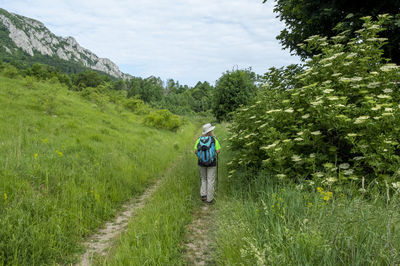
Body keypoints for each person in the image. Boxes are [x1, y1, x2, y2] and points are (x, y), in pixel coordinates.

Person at [194, 123, 221, 204]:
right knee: (210, 179)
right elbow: (218, 151)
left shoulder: (199, 140)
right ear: (210, 131)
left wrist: (201, 156)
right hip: (212, 163)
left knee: (203, 178)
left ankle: (203, 195)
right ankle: (209, 199)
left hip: (201, 162)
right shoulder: (214, 140)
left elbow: (195, 151)